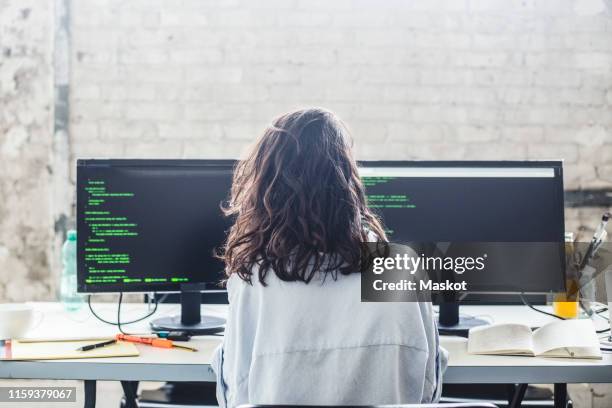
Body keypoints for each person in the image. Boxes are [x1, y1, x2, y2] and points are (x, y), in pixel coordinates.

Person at [212, 107, 447, 407]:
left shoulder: (255, 279)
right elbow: (427, 390)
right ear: (347, 181)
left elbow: (236, 395)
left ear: (268, 187)